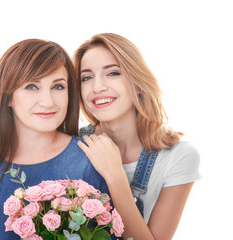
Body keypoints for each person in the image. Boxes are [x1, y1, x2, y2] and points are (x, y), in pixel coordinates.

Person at [0, 39, 111, 239]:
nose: (47, 102)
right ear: (8, 96)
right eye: (31, 87)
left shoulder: (90, 159)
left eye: (58, 87)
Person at [74, 33, 200, 239]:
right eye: (86, 78)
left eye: (113, 73)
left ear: (138, 82)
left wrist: (115, 175)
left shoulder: (179, 156)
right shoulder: (71, 145)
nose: (97, 87)